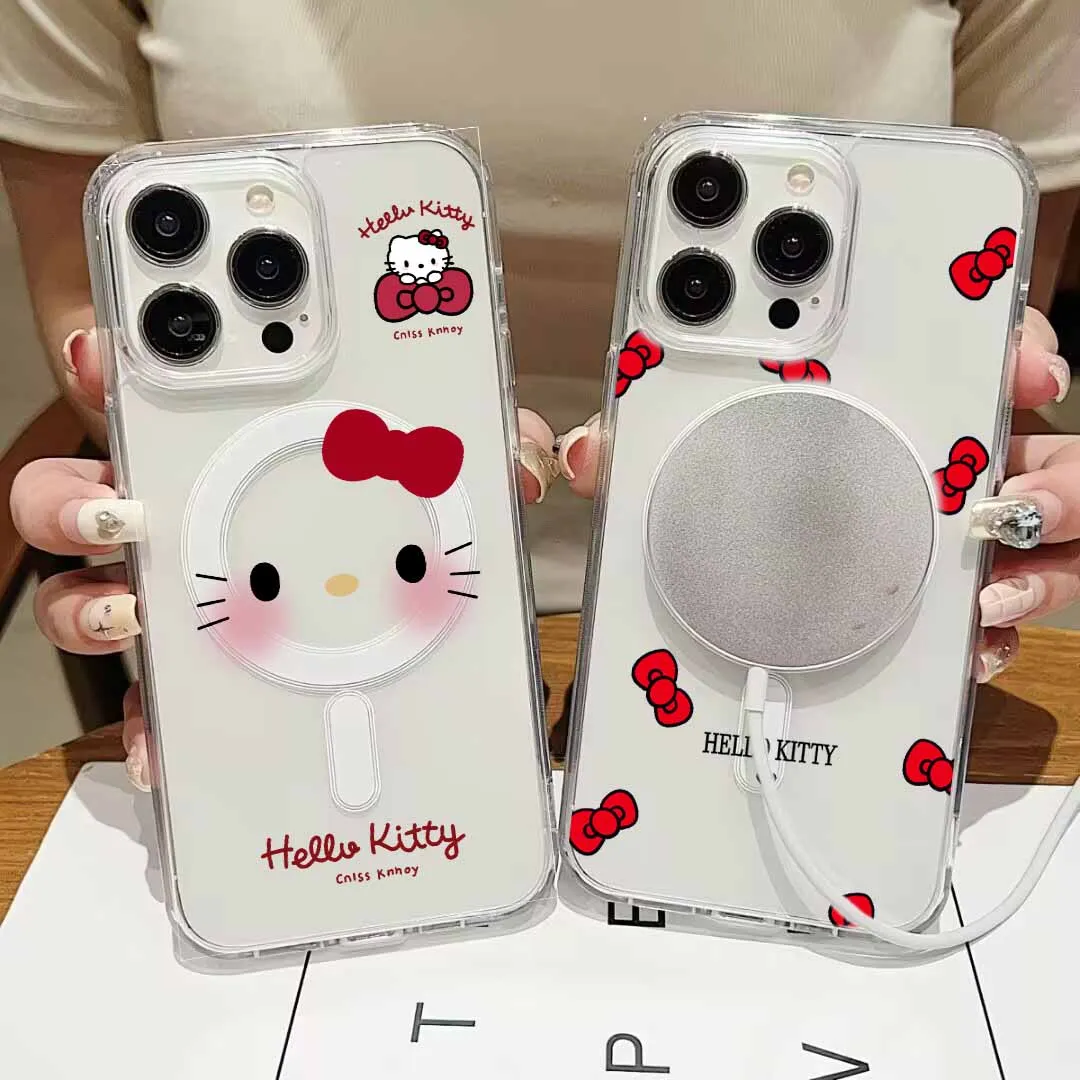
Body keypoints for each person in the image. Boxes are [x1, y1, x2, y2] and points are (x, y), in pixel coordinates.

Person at [2, 0, 1079, 789]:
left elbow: (986, 344)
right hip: (332, 597)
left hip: (819, 599)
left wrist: (1003, 443)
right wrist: (183, 520)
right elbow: (98, 335)